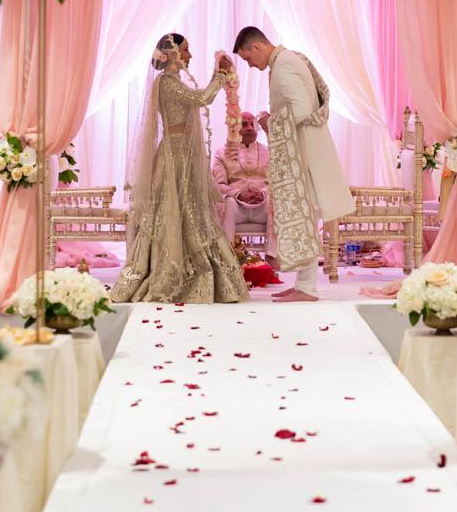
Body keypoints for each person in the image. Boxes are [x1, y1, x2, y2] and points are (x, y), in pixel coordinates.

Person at [111, 33, 248, 304]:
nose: (190, 56)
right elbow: (203, 98)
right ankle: (171, 273)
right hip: (173, 157)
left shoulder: (175, 81)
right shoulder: (166, 83)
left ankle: (194, 269)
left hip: (184, 154)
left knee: (192, 213)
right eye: (186, 50)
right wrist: (219, 75)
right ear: (172, 53)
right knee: (174, 213)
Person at [233, 26, 354, 302]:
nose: (251, 66)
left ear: (257, 47)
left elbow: (301, 110)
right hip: (303, 152)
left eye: (248, 59)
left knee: (307, 218)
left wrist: (268, 122)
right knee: (305, 219)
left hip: (305, 156)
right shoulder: (287, 60)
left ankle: (308, 288)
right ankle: (304, 284)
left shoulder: (285, 66)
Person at [212, 112, 276, 262]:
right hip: (236, 207)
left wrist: (264, 193)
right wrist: (238, 194)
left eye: (252, 124)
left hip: (263, 207)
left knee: (276, 202)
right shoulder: (221, 153)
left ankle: (271, 258)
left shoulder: (269, 152)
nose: (250, 128)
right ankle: (228, 259)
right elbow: (218, 185)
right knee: (229, 202)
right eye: (245, 124)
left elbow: (277, 181)